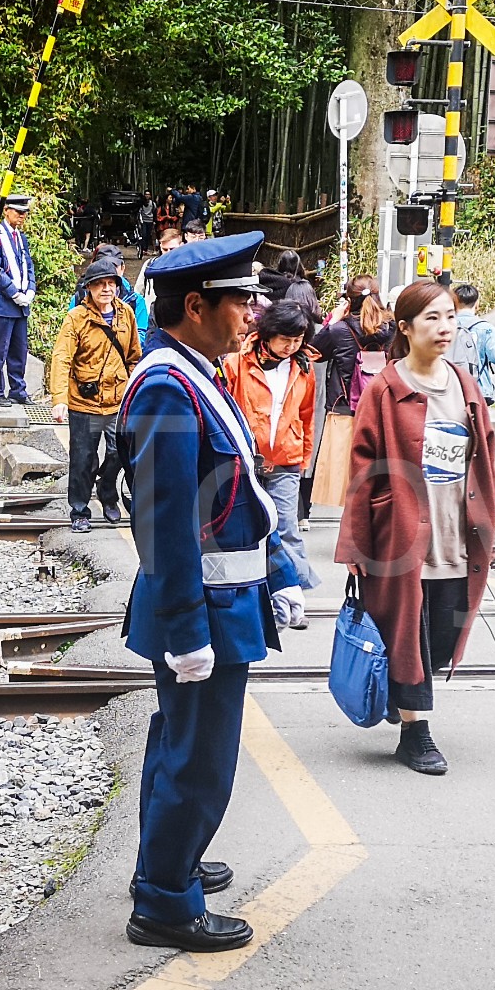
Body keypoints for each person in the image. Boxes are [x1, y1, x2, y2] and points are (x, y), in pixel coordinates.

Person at [118, 230, 305, 952]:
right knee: (199, 760)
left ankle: (168, 864)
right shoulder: (169, 384)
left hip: (221, 604)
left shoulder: (192, 370)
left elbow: (238, 494)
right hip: (202, 614)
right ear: (196, 305)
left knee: (182, 746)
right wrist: (186, 631)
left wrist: (281, 574)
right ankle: (165, 902)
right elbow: (164, 524)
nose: (253, 315)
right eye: (242, 302)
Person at [336, 279, 495, 777]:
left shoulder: (464, 383)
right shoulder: (386, 387)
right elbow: (362, 467)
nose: (444, 328)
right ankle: (416, 734)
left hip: (459, 532)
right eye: (432, 318)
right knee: (408, 633)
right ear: (406, 328)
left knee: (441, 631)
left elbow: (487, 459)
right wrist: (356, 541)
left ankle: (404, 694)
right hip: (401, 534)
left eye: (450, 317)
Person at [221, 299, 319, 602]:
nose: (291, 346)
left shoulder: (303, 368)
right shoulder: (237, 361)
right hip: (246, 459)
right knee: (246, 524)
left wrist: (304, 456)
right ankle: (248, 590)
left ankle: (294, 592)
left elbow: (307, 413)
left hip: (286, 458)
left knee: (287, 526)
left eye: (298, 340)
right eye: (285, 339)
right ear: (267, 333)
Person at [49, 255, 141, 532]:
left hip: (118, 400)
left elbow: (135, 356)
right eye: (99, 284)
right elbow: (61, 358)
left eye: (111, 283)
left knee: (118, 455)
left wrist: (136, 391)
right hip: (84, 402)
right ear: (88, 288)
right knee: (83, 459)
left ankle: (108, 495)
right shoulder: (76, 318)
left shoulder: (127, 314)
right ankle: (79, 510)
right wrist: (59, 400)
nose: (106, 289)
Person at [309, 278, 393, 507]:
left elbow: (313, 352)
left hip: (344, 407)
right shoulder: (391, 328)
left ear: (349, 300)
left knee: (344, 478)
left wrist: (332, 320)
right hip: (381, 408)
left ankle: (352, 529)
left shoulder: (338, 330)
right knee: (378, 476)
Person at [0, 194, 38, 408]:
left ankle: (18, 390)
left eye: (25, 213)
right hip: (1, 302)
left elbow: (28, 266)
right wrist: (14, 292)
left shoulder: (20, 237)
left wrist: (31, 289)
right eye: (18, 212)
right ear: (6, 210)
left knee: (19, 350)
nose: (22, 216)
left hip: (21, 303)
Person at [451, 283, 495, 404]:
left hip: (450, 389)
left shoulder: (444, 326)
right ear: (477, 304)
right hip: (478, 390)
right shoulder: (485, 328)